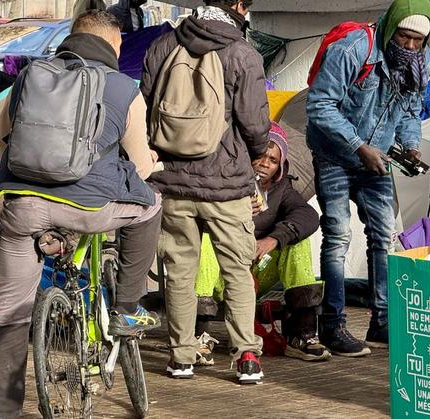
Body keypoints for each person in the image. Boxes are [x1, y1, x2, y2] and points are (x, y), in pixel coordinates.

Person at [0, 11, 162, 418]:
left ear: (70, 38)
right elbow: (141, 166)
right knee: (150, 205)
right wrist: (143, 165)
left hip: (22, 205)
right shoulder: (123, 88)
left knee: (5, 315)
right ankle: (128, 308)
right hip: (90, 208)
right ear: (115, 46)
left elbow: (8, 141)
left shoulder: (28, 77)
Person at [140, 0, 270, 384]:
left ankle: (181, 357)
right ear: (236, 7)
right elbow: (254, 122)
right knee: (236, 271)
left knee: (179, 273)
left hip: (172, 181)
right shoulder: (243, 53)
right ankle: (246, 354)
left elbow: (146, 108)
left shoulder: (163, 46)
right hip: (227, 185)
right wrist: (258, 153)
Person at [306, 0, 430, 356]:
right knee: (337, 238)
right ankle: (332, 325)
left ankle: (382, 322)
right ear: (392, 29)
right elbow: (318, 106)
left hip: (376, 159)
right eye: (404, 38)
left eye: (417, 42)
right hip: (334, 155)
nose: (409, 47)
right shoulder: (353, 49)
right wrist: (358, 146)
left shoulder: (417, 63)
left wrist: (410, 146)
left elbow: (410, 110)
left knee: (383, 237)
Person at [194, 122, 329, 364]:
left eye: (273, 160)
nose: (265, 163)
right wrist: (236, 210)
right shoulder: (225, 181)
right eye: (261, 156)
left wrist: (274, 239)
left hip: (259, 267)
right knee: (205, 241)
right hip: (223, 269)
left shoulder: (283, 189)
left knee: (297, 242)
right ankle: (199, 336)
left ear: (280, 166)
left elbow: (308, 216)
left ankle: (302, 335)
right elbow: (200, 218)